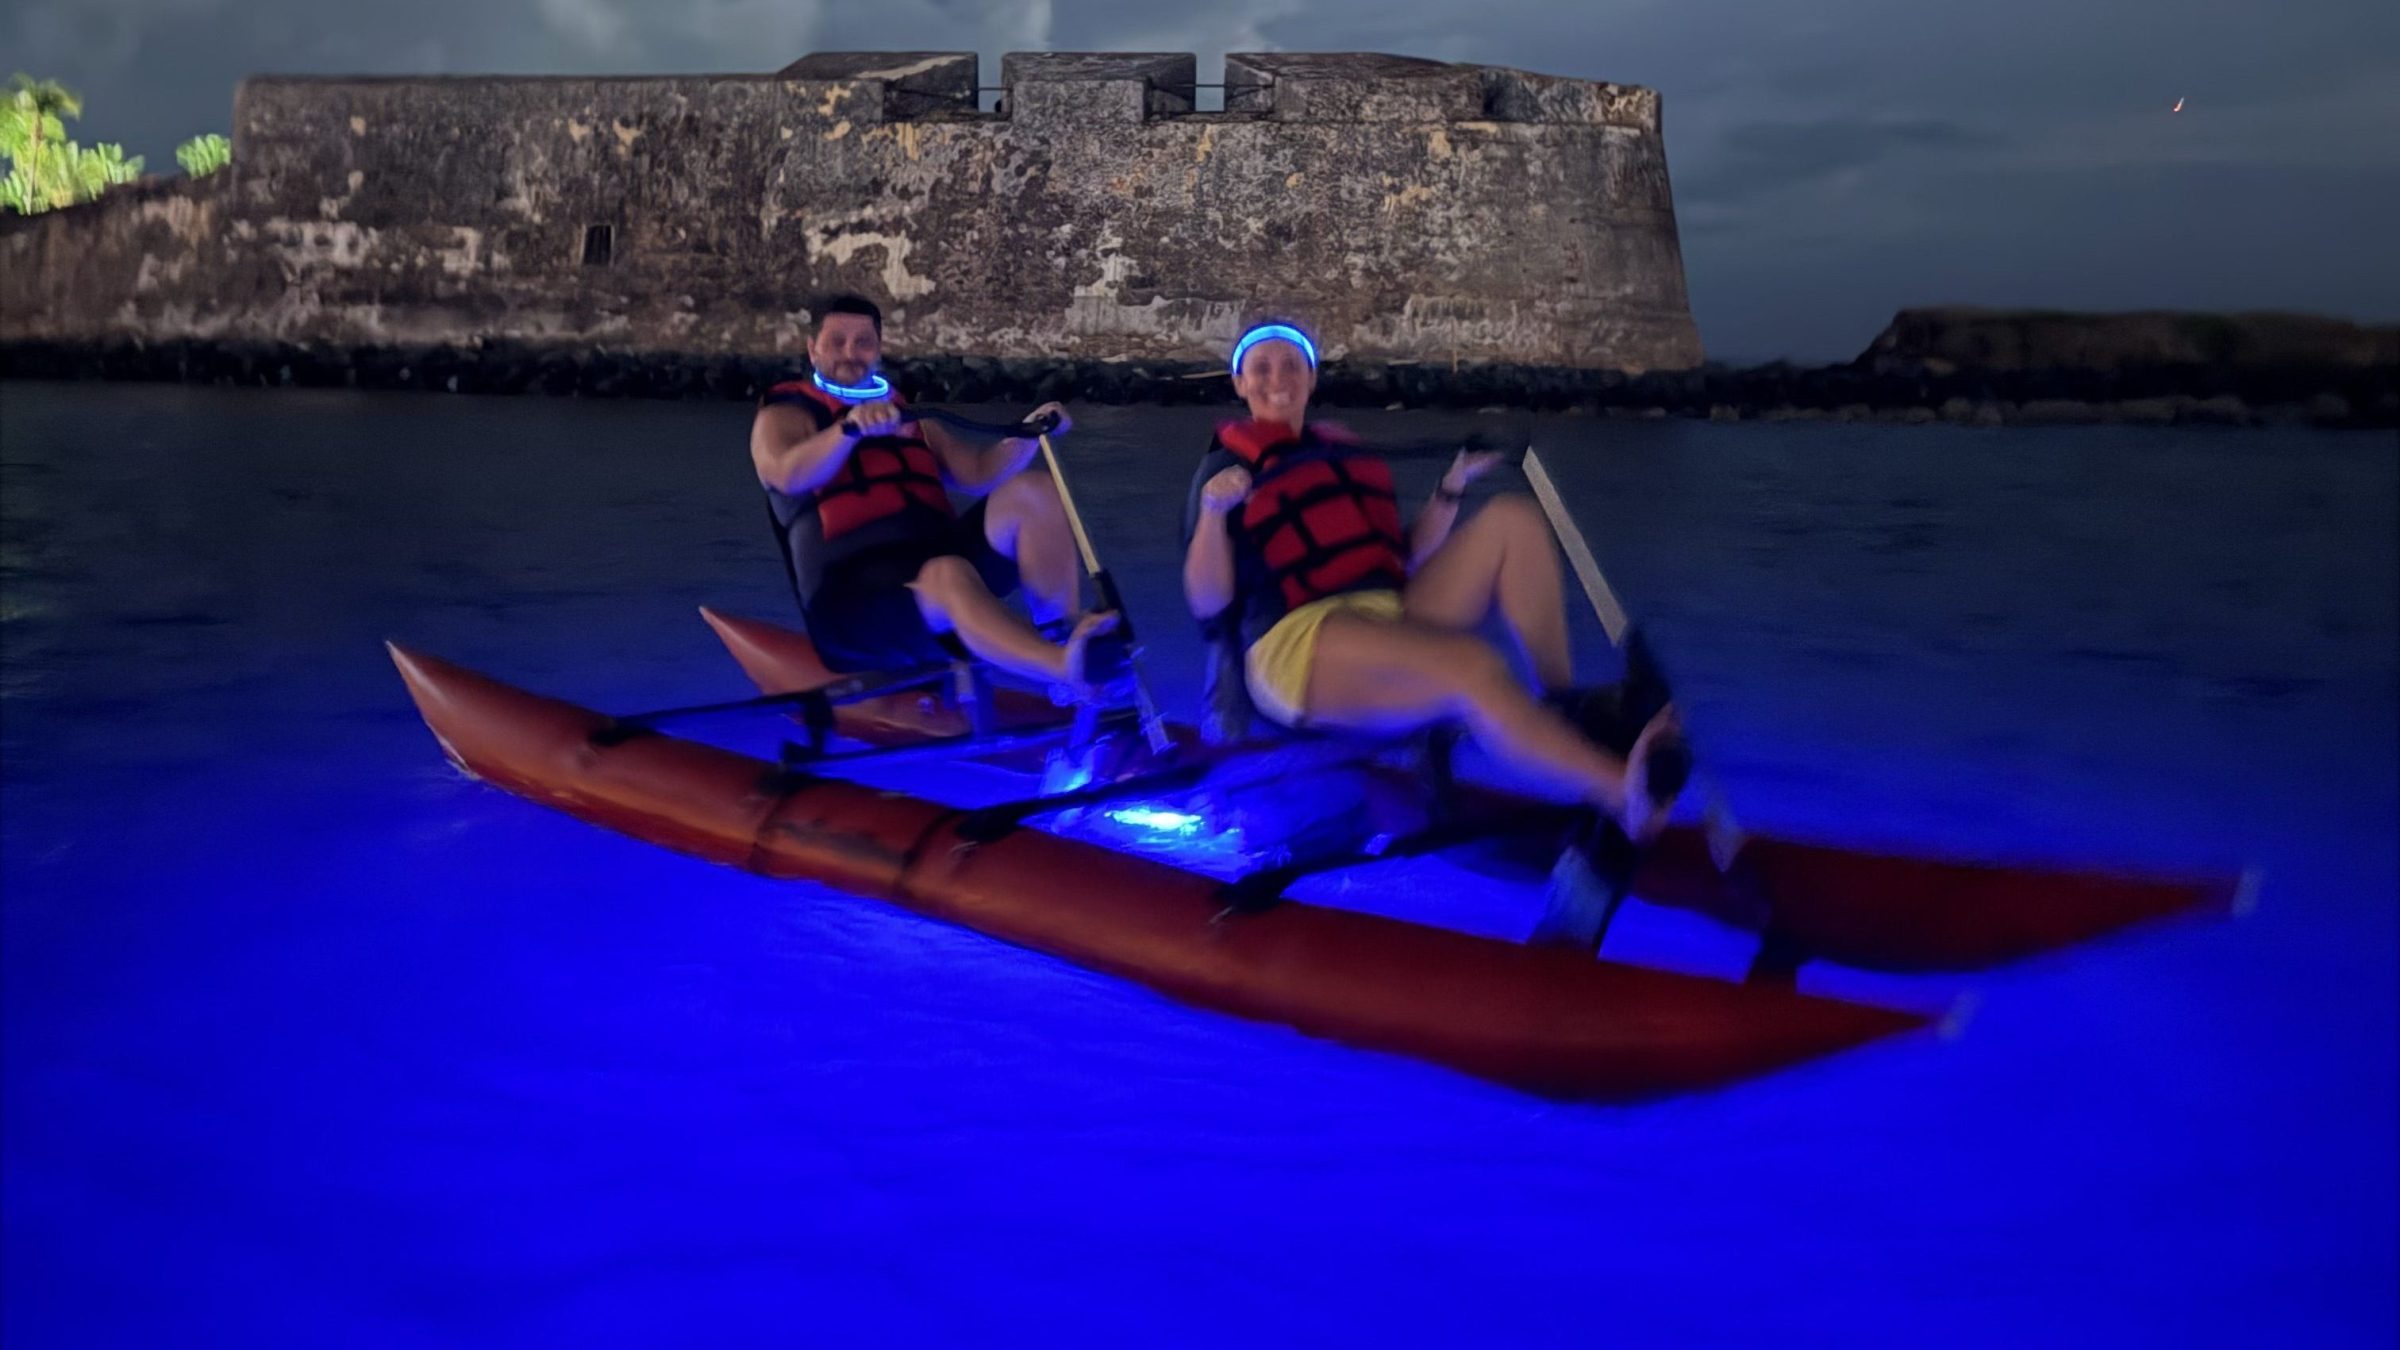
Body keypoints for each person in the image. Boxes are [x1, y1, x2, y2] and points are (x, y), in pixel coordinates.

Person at [1180, 320, 1685, 840]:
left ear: (1311, 378)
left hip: (1382, 613)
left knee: (1513, 520)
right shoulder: (1225, 468)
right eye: (1260, 369)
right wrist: (1216, 512)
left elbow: (1404, 555)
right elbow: (1207, 601)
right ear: (1240, 384)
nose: (1277, 379)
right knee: (1473, 667)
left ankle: (1563, 711)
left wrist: (1455, 481)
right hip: (1297, 648)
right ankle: (1620, 796)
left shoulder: (1338, 452)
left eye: (1291, 365)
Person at [751, 295, 1123, 692]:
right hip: (852, 604)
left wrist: (1026, 435)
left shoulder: (904, 411)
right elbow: (786, 474)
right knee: (948, 573)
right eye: (837, 341)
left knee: (1034, 491)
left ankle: (1061, 637)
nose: (851, 353)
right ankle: (1063, 670)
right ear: (813, 349)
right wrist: (848, 431)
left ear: (878, 349)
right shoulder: (784, 412)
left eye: (863, 342)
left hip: (938, 572)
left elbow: (976, 473)